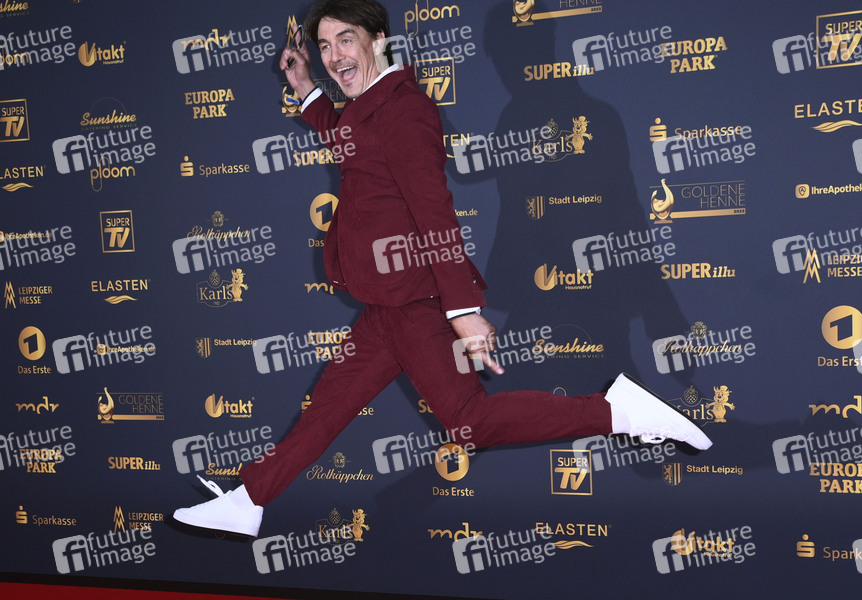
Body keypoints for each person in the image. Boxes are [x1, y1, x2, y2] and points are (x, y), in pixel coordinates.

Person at [173, 0, 711, 538]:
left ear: (378, 40)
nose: (334, 56)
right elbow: (349, 141)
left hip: (415, 300)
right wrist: (308, 89)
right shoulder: (370, 107)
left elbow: (436, 214)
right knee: (327, 411)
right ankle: (251, 499)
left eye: (346, 39)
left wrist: (462, 309)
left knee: (470, 422)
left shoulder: (404, 110)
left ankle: (620, 413)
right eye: (325, 45)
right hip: (386, 305)